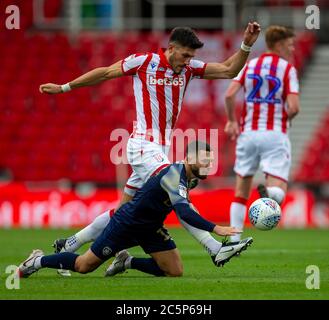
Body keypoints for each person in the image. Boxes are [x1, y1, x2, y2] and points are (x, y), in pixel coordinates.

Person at [39, 23, 260, 269]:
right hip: (142, 145)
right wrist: (64, 87)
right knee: (176, 188)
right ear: (172, 48)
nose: (188, 61)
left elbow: (229, 69)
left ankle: (69, 243)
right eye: (185, 55)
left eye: (191, 57)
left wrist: (246, 44)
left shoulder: (188, 69)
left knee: (125, 210)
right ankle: (215, 247)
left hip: (159, 150)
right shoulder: (144, 62)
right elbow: (104, 73)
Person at [18, 141, 253, 278]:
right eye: (203, 160)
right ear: (187, 158)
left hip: (150, 227)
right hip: (127, 224)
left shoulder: (190, 178)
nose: (207, 165)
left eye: (210, 162)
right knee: (84, 266)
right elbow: (184, 213)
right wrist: (216, 228)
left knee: (174, 270)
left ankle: (127, 262)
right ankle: (37, 261)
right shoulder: (173, 174)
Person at [224, 26, 300, 242]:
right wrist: (285, 120)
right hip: (274, 133)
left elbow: (229, 95)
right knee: (279, 190)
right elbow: (294, 107)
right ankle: (271, 194)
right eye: (289, 44)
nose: (292, 49)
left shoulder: (249, 64)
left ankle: (233, 241)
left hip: (248, 134)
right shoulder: (287, 69)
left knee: (240, 190)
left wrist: (231, 121)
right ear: (278, 44)